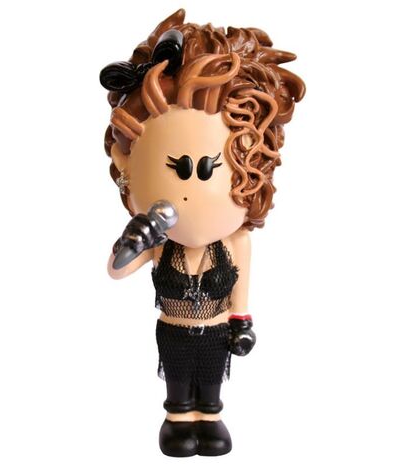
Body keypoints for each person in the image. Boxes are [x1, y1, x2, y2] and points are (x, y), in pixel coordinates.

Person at [100, 8, 305, 457]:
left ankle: (209, 416)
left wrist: (242, 322)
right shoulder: (159, 243)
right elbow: (117, 270)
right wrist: (134, 238)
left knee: (211, 379)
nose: (192, 190)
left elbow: (242, 289)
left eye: (211, 168)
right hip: (173, 330)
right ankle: (178, 418)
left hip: (214, 330)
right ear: (125, 165)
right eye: (177, 168)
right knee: (177, 380)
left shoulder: (235, 242)